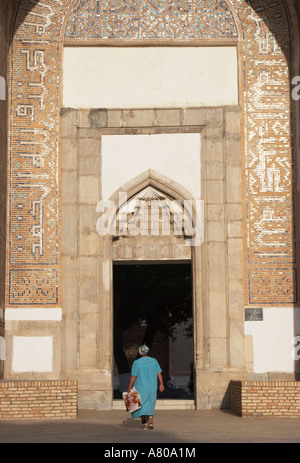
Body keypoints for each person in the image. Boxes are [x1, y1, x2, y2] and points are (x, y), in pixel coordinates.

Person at [127, 344, 164, 430]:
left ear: (140, 352)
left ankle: (145, 424)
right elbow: (159, 373)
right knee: (151, 402)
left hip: (141, 387)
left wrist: (129, 387)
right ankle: (150, 421)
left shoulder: (136, 362)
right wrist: (161, 384)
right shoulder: (154, 361)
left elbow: (133, 376)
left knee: (141, 405)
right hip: (152, 386)